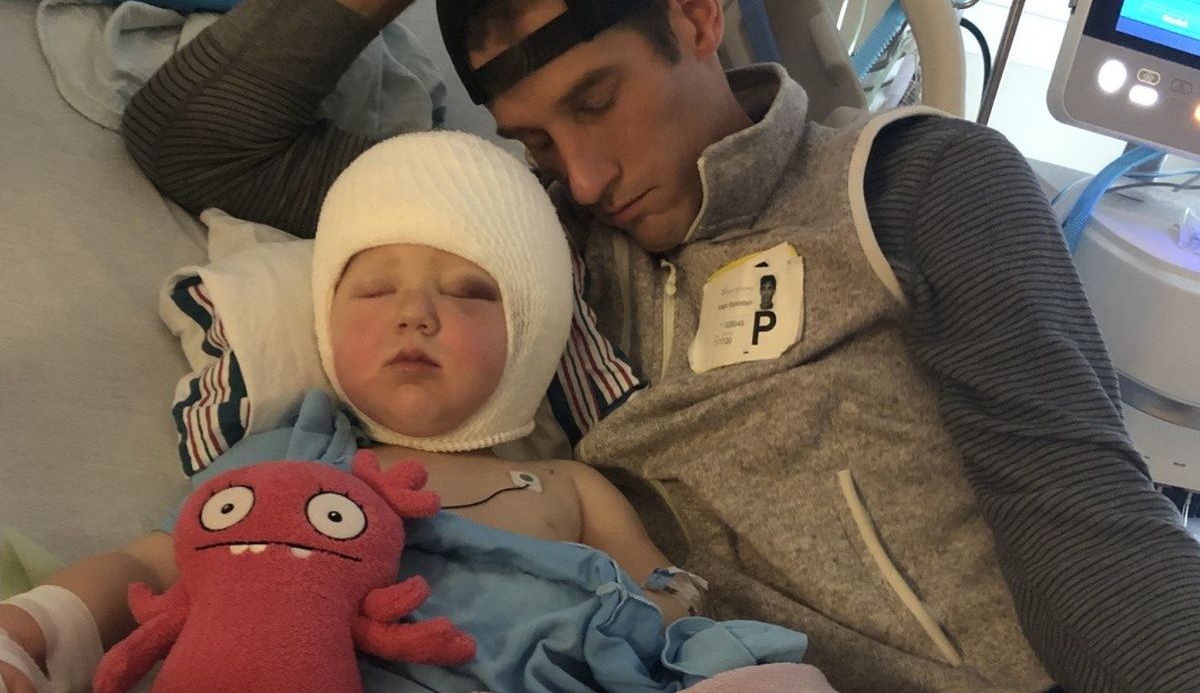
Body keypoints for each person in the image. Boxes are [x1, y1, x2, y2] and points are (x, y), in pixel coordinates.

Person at [113, 0, 1200, 692]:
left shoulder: (915, 184)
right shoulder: (523, 245)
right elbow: (196, 138)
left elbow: (1087, 529)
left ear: (694, 12)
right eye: (536, 141)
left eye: (597, 102)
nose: (583, 177)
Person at [0, 130, 828, 692]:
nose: (415, 314)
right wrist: (33, 629)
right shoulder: (290, 457)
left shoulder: (569, 487)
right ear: (326, 319)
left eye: (468, 292)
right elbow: (148, 569)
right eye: (373, 289)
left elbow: (670, 608)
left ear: (533, 331)